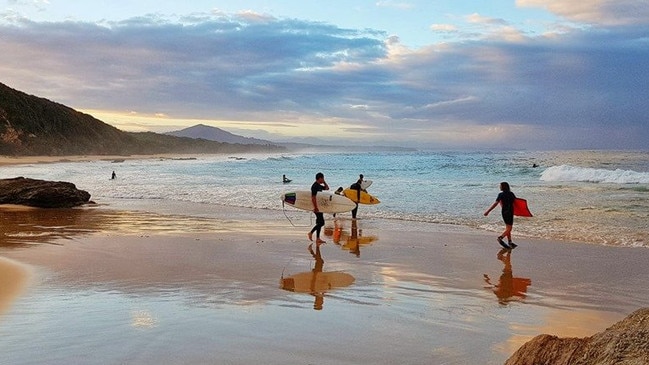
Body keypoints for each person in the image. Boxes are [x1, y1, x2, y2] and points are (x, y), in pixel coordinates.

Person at [484, 182, 518, 249]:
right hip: (510, 211)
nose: (499, 187)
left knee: (508, 227)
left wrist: (488, 211)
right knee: (509, 228)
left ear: (503, 187)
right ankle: (500, 238)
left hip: (504, 212)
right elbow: (516, 203)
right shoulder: (511, 194)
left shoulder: (501, 194)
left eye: (500, 186)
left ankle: (510, 242)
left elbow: (496, 204)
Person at [308, 172, 329, 245]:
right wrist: (315, 207)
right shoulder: (314, 186)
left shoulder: (319, 185)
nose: (323, 179)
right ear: (319, 178)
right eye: (322, 178)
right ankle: (311, 233)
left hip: (319, 206)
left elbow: (327, 188)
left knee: (319, 222)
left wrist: (324, 182)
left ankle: (317, 238)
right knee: (322, 222)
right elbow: (313, 198)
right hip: (316, 206)